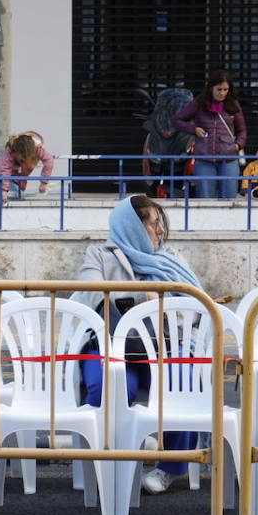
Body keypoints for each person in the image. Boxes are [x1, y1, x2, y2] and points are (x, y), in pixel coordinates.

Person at [76, 195, 202, 495]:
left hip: (164, 347)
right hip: (112, 345)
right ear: (132, 227)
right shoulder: (100, 255)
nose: (160, 232)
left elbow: (196, 307)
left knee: (181, 386)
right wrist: (144, 296)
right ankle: (107, 459)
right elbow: (92, 294)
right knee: (105, 386)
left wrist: (166, 306)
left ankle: (171, 466)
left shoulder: (172, 260)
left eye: (161, 225)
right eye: (153, 224)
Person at [173, 69, 247, 199]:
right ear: (211, 87)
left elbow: (242, 130)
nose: (222, 93)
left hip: (228, 158)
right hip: (204, 158)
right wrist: (193, 129)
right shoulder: (199, 103)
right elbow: (177, 120)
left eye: (225, 89)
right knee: (205, 199)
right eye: (219, 89)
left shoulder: (233, 104)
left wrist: (238, 145)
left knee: (229, 199)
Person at [0, 131, 55, 200]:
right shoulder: (8, 153)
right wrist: (4, 190)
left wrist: (44, 182)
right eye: (21, 159)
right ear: (16, 152)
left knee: (18, 194)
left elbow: (49, 160)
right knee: (12, 195)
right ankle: (1, 195)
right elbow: (5, 171)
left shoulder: (37, 149)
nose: (23, 161)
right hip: (2, 177)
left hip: (19, 180)